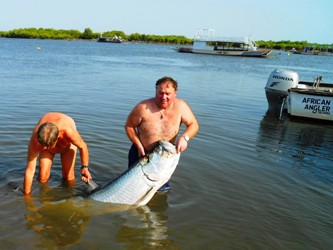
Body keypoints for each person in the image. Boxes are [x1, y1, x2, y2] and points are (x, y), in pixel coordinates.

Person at [125, 76, 199, 192]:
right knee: (132, 190)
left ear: (175, 93)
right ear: (156, 91)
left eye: (168, 94)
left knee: (161, 191)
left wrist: (185, 138)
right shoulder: (143, 108)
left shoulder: (181, 107)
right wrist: (138, 144)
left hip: (163, 158)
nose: (164, 97)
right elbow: (129, 126)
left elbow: (193, 124)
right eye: (160, 93)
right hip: (141, 155)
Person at [23, 112, 92, 195]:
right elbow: (30, 170)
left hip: (67, 145)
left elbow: (83, 146)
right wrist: (27, 195)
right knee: (42, 177)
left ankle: (69, 197)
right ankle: (44, 197)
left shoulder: (68, 132)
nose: (45, 148)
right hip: (46, 138)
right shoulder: (36, 140)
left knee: (68, 177)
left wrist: (85, 168)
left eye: (48, 146)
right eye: (44, 146)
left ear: (58, 137)